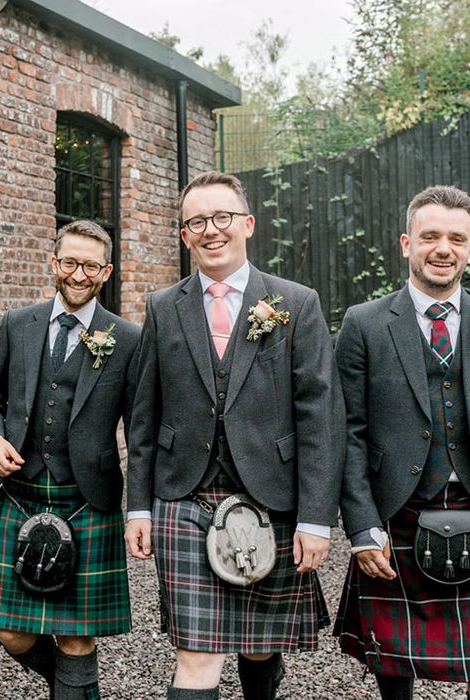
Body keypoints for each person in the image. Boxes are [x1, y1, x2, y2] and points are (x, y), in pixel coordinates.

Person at [125, 171, 343, 700]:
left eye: (221, 217)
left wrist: (316, 517)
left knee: (259, 646)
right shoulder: (162, 306)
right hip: (183, 495)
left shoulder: (296, 303)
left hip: (272, 496)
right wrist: (139, 508)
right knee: (196, 654)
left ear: (247, 223)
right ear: (184, 235)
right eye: (196, 221)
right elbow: (144, 415)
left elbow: (320, 415)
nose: (210, 230)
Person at [0, 219, 140, 699]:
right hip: (21, 493)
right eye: (70, 262)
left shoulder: (126, 338)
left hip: (88, 496)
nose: (79, 274)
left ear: (106, 271)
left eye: (91, 266)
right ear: (54, 262)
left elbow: (141, 431)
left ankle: (73, 688)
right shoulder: (17, 324)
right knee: (10, 630)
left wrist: (141, 509)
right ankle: (75, 688)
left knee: (76, 634)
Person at [334, 185, 470, 700]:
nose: (444, 248)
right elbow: (348, 433)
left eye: (457, 238)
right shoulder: (364, 324)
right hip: (397, 511)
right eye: (431, 235)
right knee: (395, 666)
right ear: (406, 243)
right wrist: (363, 525)